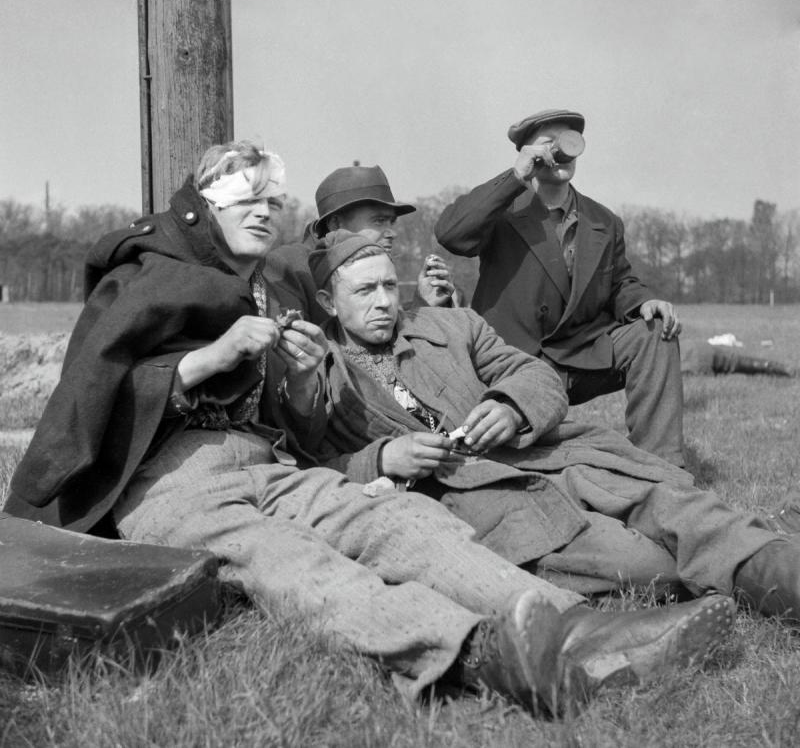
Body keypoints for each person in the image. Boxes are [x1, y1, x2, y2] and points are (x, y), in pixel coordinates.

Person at [1, 140, 731, 716]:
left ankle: (571, 631)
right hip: (167, 483)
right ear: (203, 204)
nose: (263, 210)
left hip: (264, 463)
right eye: (244, 197)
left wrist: (293, 369)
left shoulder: (247, 280)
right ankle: (481, 652)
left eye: (271, 199)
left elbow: (292, 417)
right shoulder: (147, 273)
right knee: (292, 562)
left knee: (403, 520)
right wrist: (201, 362)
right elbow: (89, 390)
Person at [308, 230, 800, 626]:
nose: (384, 303)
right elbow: (306, 474)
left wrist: (511, 407)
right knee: (649, 566)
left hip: (554, 457)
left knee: (678, 506)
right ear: (329, 303)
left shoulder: (451, 325)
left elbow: (536, 375)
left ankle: (781, 572)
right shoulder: (317, 370)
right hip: (484, 506)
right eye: (364, 291)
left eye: (390, 286)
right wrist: (383, 460)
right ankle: (735, 561)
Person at [435, 109, 684, 467]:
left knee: (654, 333)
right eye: (548, 143)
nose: (561, 151)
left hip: (579, 355)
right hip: (514, 360)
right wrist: (514, 177)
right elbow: (451, 234)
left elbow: (620, 283)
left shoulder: (603, 220)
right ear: (525, 153)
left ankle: (662, 469)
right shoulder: (501, 209)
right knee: (510, 459)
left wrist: (645, 301)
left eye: (568, 140)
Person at [265, 164, 454, 324]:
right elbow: (293, 350)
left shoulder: (378, 264)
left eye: (391, 222)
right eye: (379, 221)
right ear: (335, 224)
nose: (391, 233)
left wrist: (424, 304)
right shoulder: (289, 266)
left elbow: (389, 346)